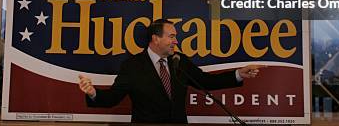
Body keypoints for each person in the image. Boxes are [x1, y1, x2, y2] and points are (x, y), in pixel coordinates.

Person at [78, 19, 263, 123]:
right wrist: (93, 93)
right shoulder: (133, 66)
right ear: (155, 38)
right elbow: (113, 98)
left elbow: (206, 81)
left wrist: (238, 73)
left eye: (176, 37)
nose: (176, 41)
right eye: (172, 36)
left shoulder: (179, 61)